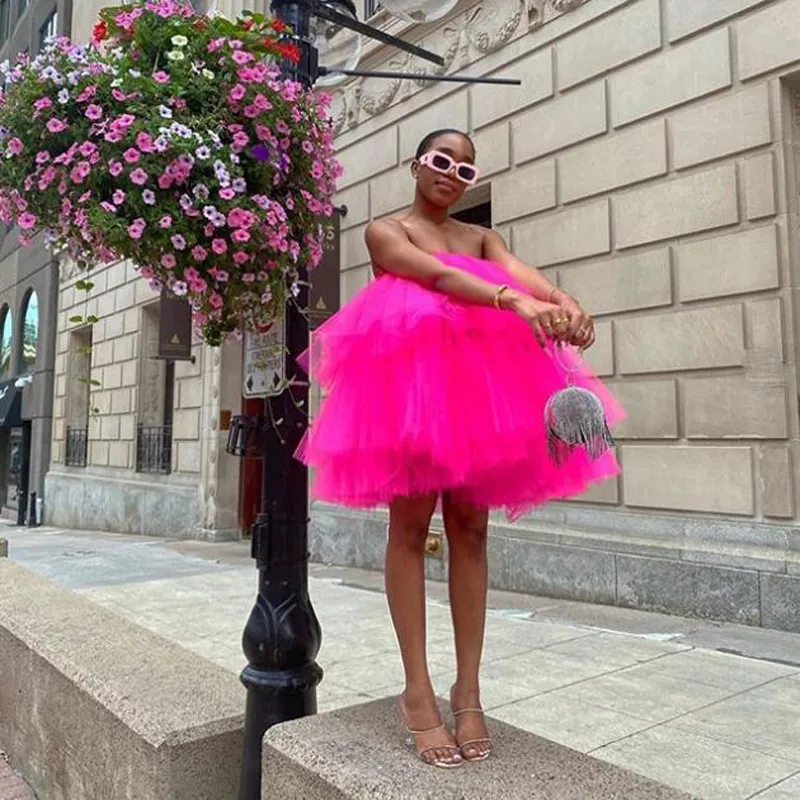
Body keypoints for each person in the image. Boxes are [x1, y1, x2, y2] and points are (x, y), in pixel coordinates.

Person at [297, 129, 623, 768]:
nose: (452, 174)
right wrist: (515, 301)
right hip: (413, 389)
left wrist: (561, 299)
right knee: (410, 527)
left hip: (476, 392)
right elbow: (438, 276)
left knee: (472, 528)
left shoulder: (482, 237)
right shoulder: (387, 231)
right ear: (417, 164)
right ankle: (417, 692)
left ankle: (467, 691)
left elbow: (513, 267)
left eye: (465, 169)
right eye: (442, 161)